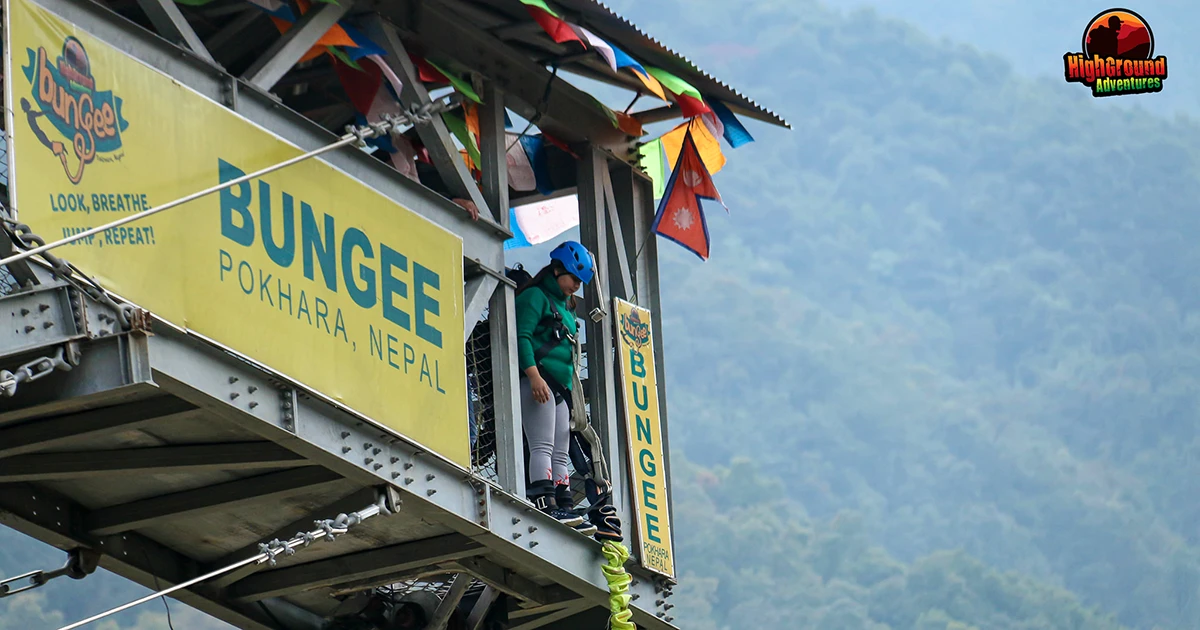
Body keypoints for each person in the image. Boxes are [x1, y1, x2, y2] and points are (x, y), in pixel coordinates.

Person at [515, 241, 597, 533]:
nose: (576, 285)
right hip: (538, 382)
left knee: (560, 451)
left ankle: (564, 506)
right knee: (542, 445)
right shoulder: (535, 297)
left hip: (560, 389)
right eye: (573, 278)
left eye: (580, 281)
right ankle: (545, 503)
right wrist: (533, 376)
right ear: (558, 268)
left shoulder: (565, 307)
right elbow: (522, 336)